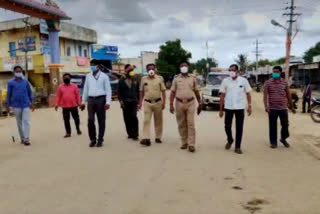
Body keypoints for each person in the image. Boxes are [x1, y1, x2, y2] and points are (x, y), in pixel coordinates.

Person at [219, 64, 252, 154]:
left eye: (233, 70)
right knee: (227, 126)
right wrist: (221, 109)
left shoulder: (243, 81)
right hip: (228, 107)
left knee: (239, 128)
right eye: (230, 70)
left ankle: (238, 147)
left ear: (238, 71)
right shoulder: (225, 81)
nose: (231, 72)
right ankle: (230, 139)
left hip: (240, 107)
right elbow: (222, 95)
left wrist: (249, 105)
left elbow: (248, 93)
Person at [170, 61, 202, 153]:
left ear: (188, 67)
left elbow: (196, 91)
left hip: (190, 102)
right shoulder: (176, 78)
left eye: (185, 65)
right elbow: (172, 92)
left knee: (191, 124)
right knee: (181, 124)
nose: (184, 67)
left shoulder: (193, 78)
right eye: (182, 66)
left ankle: (191, 144)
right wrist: (171, 104)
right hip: (179, 103)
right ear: (179, 68)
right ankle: (184, 142)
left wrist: (200, 103)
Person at [264, 66, 295, 149]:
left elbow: (288, 95)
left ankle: (283, 138)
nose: (275, 73)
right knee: (272, 125)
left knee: (285, 124)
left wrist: (292, 107)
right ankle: (273, 142)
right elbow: (265, 95)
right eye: (273, 72)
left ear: (280, 73)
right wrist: (266, 106)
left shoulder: (284, 83)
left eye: (277, 72)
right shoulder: (268, 82)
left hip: (283, 108)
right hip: (272, 108)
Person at [82, 60, 112, 148]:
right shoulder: (88, 76)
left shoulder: (104, 76)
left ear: (98, 66)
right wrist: (83, 102)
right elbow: (85, 90)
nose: (92, 66)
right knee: (90, 120)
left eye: (93, 65)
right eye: (91, 65)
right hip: (91, 100)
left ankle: (100, 139)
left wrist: (108, 102)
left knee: (101, 120)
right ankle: (92, 139)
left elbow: (108, 90)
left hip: (101, 99)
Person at [5, 66, 34, 146]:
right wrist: (7, 105)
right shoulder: (10, 82)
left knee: (27, 121)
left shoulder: (25, 82)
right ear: (14, 72)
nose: (19, 73)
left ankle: (27, 138)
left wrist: (32, 102)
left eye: (20, 71)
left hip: (26, 104)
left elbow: (29, 93)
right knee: (19, 123)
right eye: (17, 71)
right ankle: (22, 138)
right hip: (16, 105)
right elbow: (9, 94)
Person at [138, 63, 166, 146]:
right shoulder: (143, 79)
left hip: (158, 102)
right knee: (146, 120)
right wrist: (140, 103)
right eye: (149, 69)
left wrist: (164, 102)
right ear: (147, 70)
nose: (151, 70)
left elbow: (163, 91)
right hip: (147, 102)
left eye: (152, 68)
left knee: (158, 121)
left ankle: (158, 137)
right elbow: (141, 91)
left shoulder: (160, 78)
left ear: (155, 69)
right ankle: (146, 138)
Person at [55, 73, 83, 138]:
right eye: (65, 77)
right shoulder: (60, 87)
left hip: (74, 106)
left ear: (70, 79)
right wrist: (56, 104)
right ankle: (68, 133)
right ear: (63, 79)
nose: (66, 78)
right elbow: (58, 97)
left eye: (67, 77)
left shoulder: (74, 86)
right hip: (65, 106)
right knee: (66, 120)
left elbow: (78, 96)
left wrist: (79, 104)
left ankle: (78, 129)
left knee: (76, 119)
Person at [118, 64, 140, 141]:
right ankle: (130, 133)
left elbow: (138, 91)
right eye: (129, 70)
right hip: (125, 102)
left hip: (134, 101)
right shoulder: (121, 80)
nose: (131, 71)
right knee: (127, 118)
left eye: (132, 70)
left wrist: (138, 102)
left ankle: (135, 134)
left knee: (134, 116)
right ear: (125, 70)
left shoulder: (135, 79)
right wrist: (121, 102)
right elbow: (119, 92)